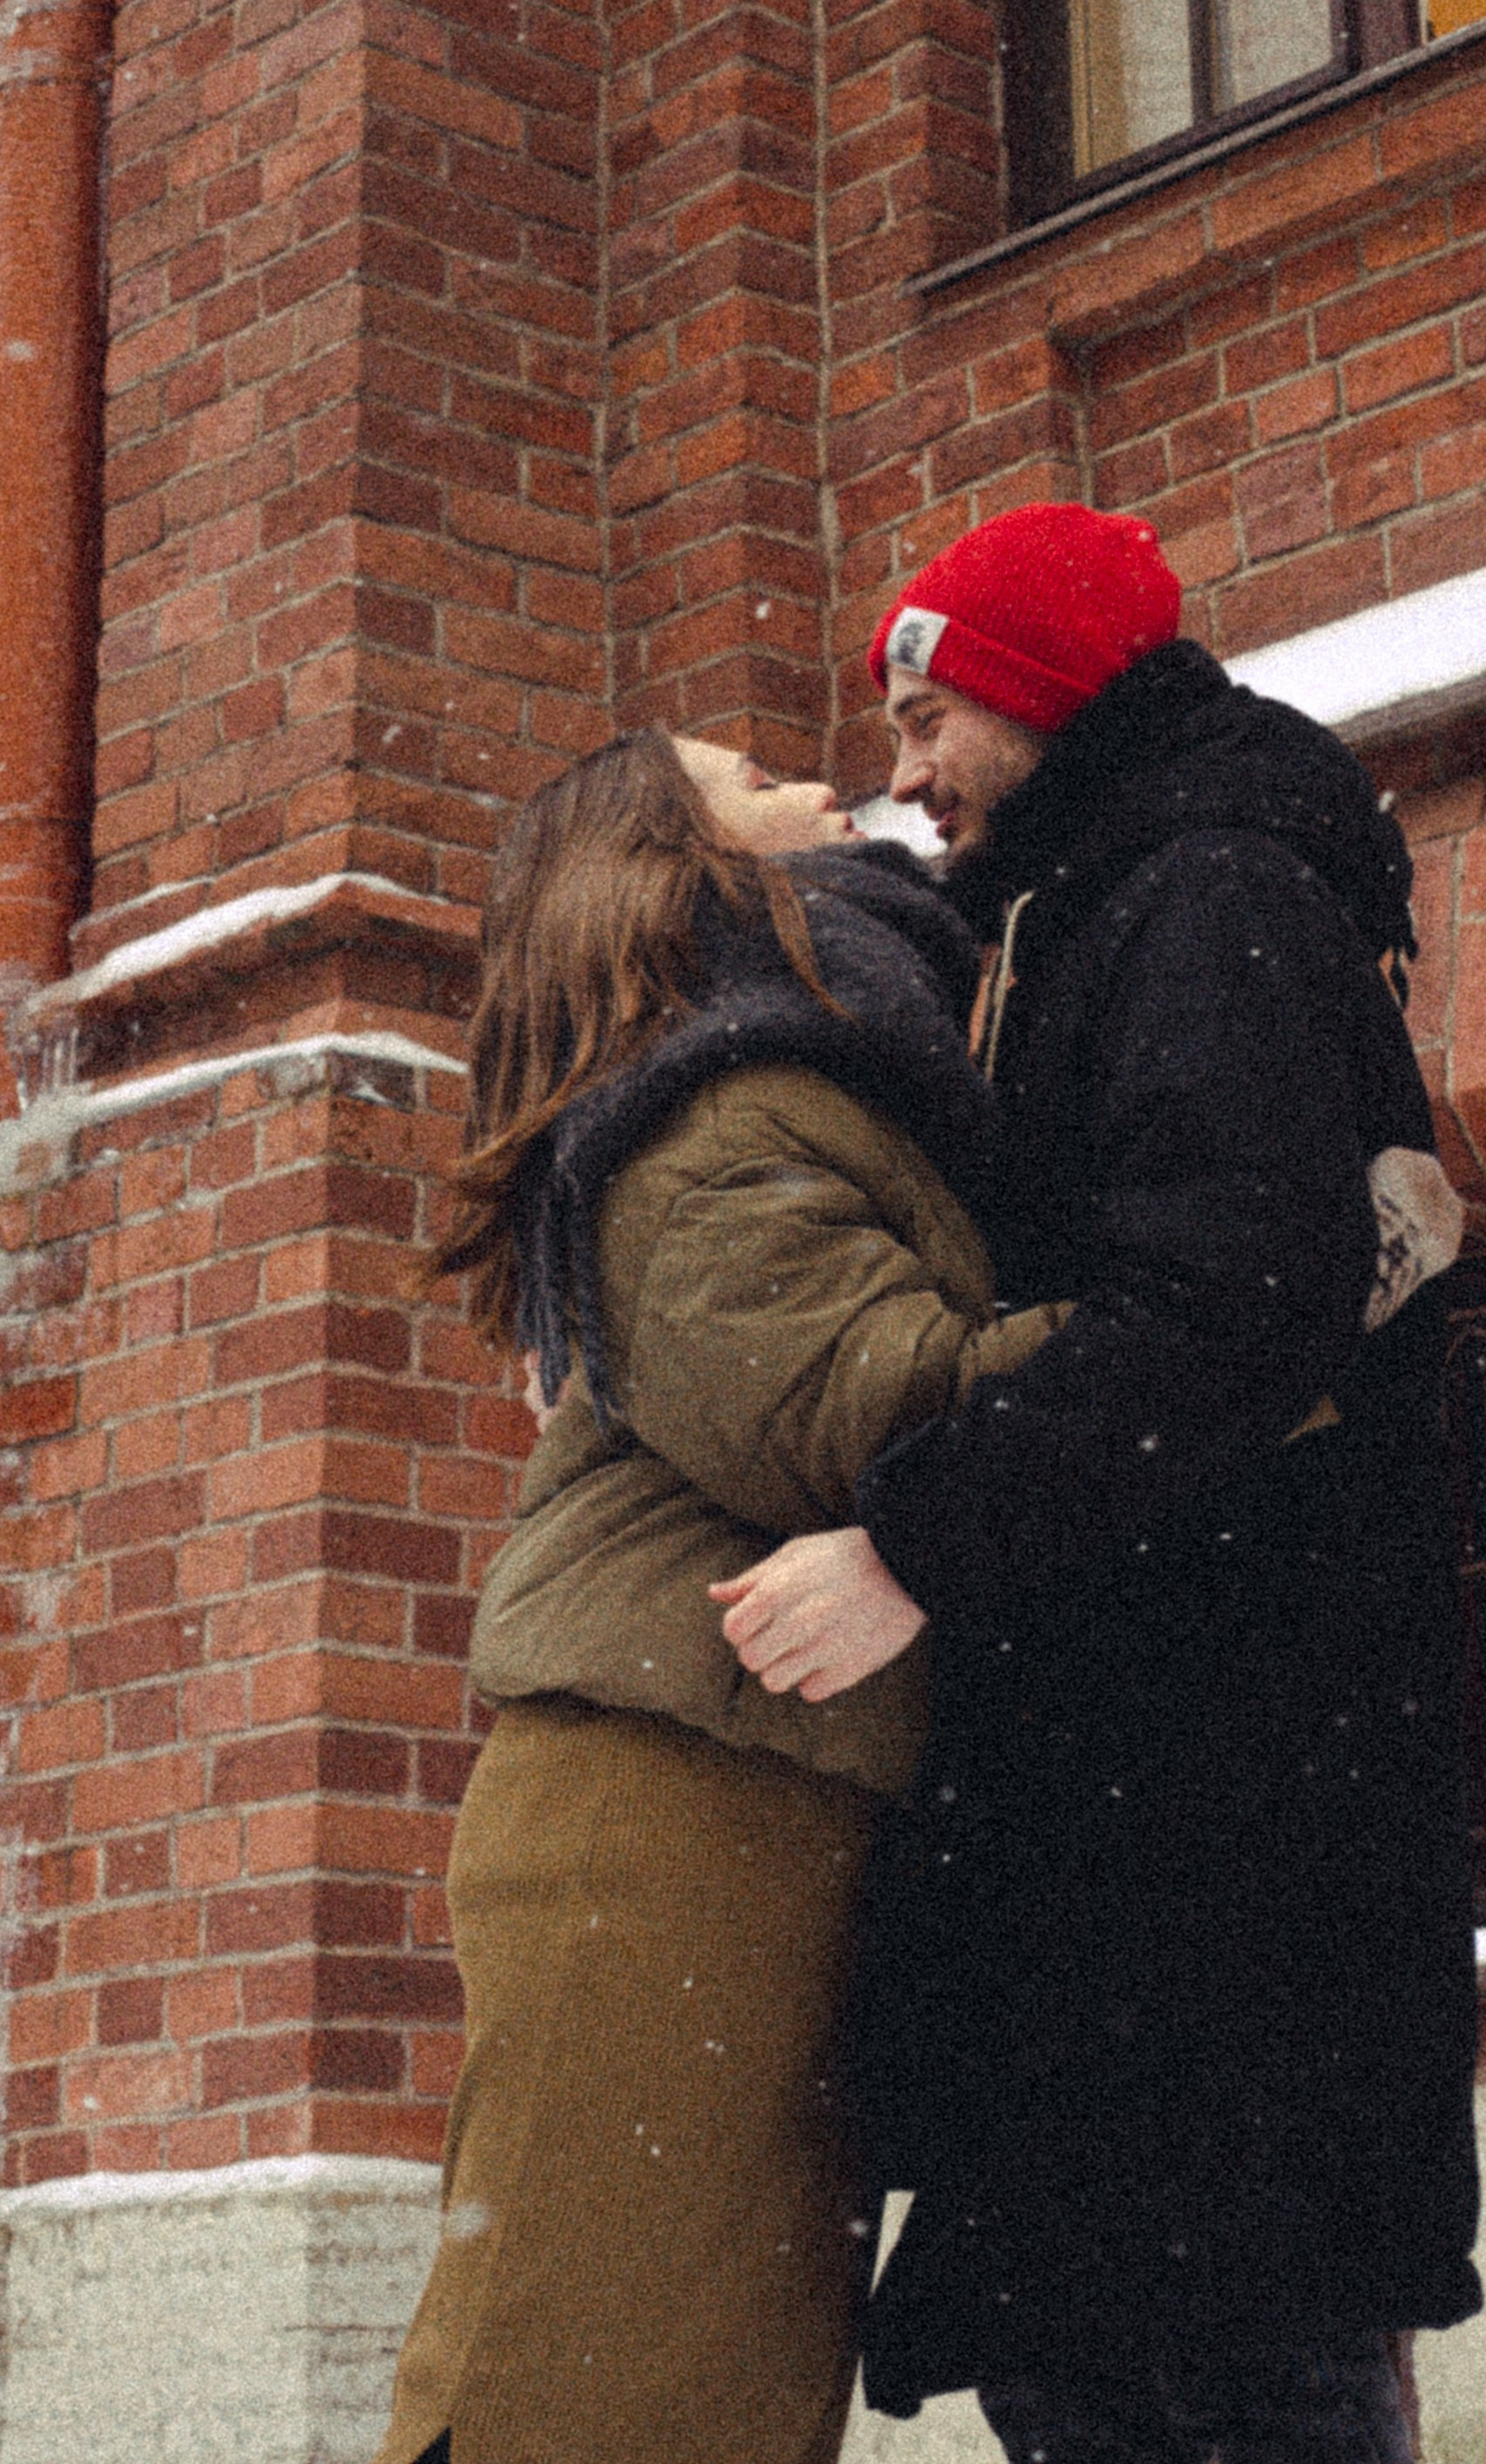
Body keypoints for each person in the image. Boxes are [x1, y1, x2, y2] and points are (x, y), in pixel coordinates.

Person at [719, 504, 1482, 2464]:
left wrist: (912, 1546)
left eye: (931, 721)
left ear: (1048, 693)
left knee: (1215, 2375)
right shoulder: (1101, 905)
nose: (903, 778)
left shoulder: (1202, 900)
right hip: (1160, 1842)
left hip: (1217, 1846)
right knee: (1124, 2362)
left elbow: (1225, 1310)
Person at [371, 729, 1058, 2464]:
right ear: (675, 860)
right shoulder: (697, 1127)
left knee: (704, 2390)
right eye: (753, 777)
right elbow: (871, 1417)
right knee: (580, 2393)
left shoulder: (803, 1080)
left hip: (753, 1803)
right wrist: (1212, 1333)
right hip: (662, 1817)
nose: (824, 789)